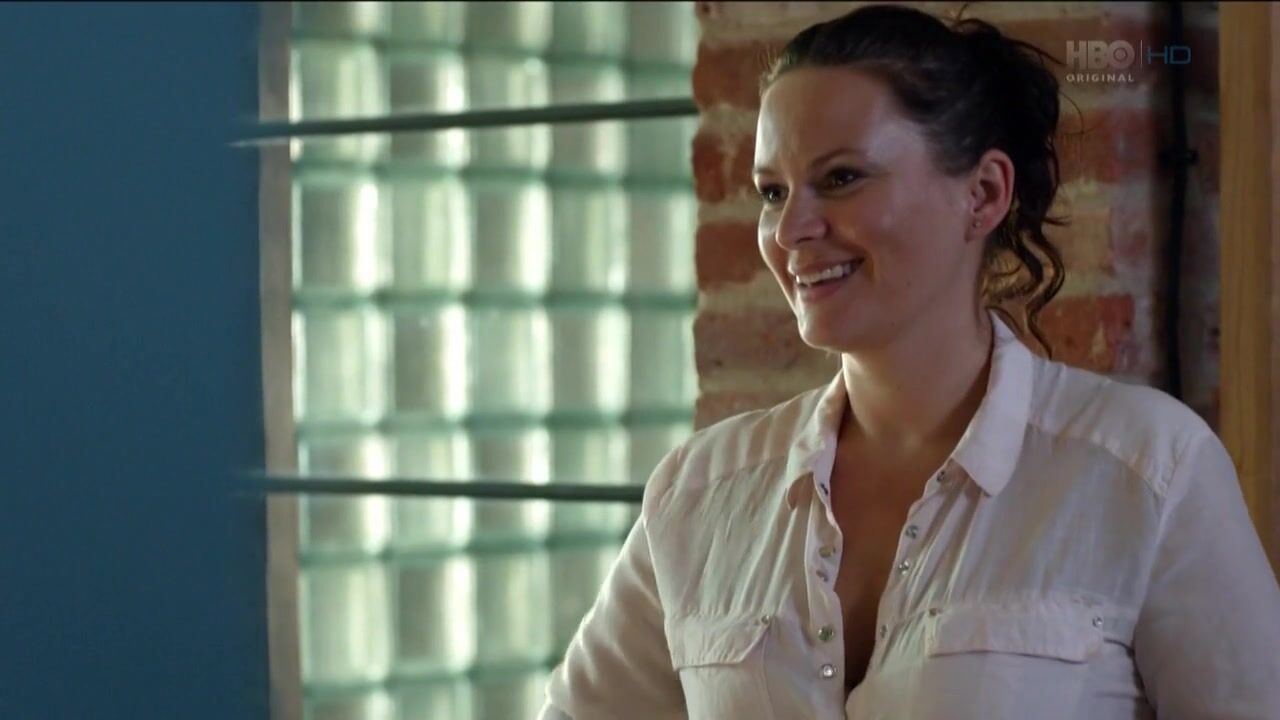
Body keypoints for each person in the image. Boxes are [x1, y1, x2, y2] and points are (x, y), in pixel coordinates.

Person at [538, 4, 1280, 719]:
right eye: (772, 192)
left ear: (983, 194)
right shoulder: (701, 493)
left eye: (841, 178)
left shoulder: (1147, 468)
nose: (791, 230)